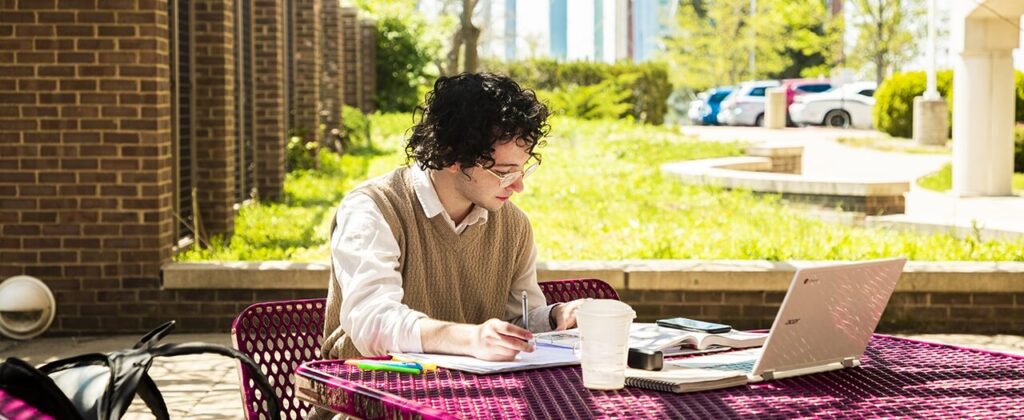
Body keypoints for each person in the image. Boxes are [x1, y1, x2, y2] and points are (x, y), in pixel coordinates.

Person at [320, 73, 587, 363]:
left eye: (522, 170)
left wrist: (553, 317)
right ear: (452, 157)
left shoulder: (513, 225)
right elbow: (373, 324)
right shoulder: (374, 208)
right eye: (504, 172)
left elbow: (516, 321)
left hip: (478, 398)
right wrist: (469, 339)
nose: (518, 186)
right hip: (367, 399)